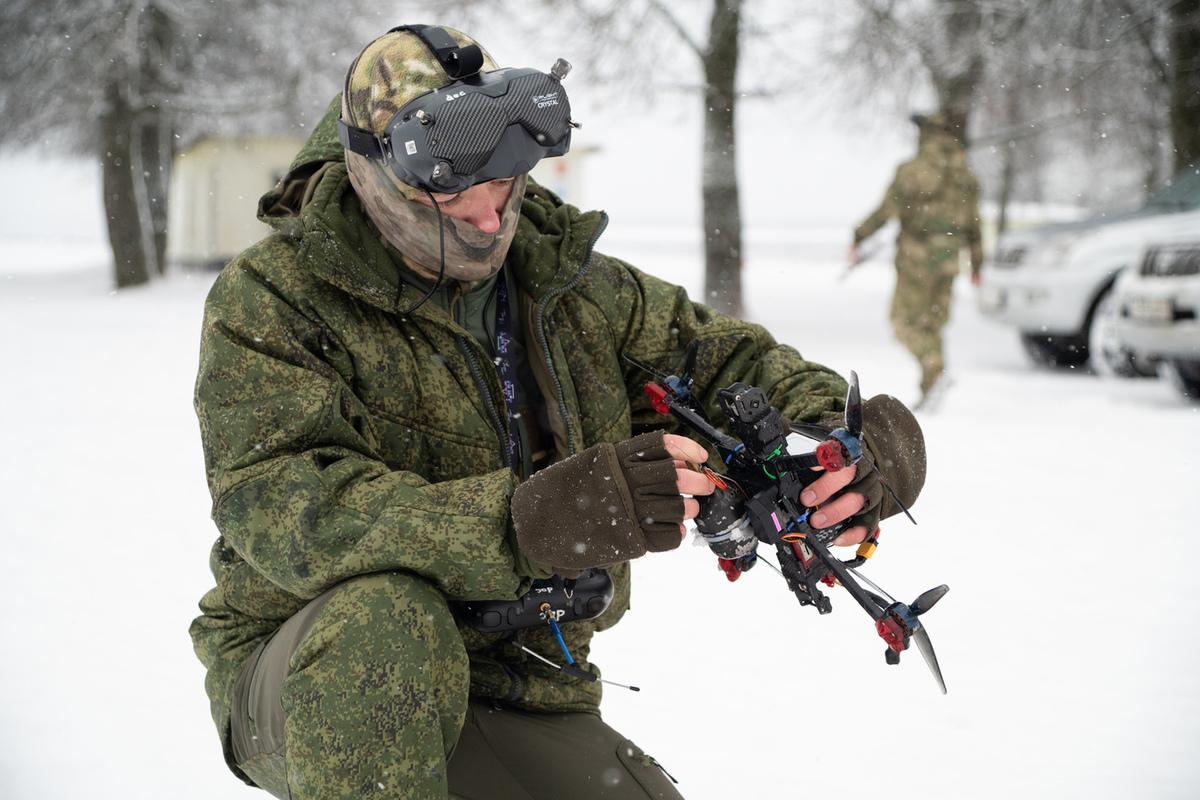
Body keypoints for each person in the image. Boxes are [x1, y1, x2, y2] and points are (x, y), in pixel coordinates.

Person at [190, 25, 927, 800]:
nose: (488, 217)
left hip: (523, 676)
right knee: (385, 621)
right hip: (309, 671)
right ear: (373, 174)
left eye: (504, 184)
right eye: (454, 191)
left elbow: (727, 363)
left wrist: (855, 441)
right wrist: (528, 522)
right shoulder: (274, 299)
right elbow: (285, 508)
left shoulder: (570, 284)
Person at [849, 111, 983, 408]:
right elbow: (975, 223)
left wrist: (859, 235)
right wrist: (977, 264)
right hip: (950, 259)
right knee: (933, 324)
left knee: (903, 324)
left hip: (915, 259)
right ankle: (931, 386)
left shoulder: (911, 170)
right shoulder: (966, 177)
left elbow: (885, 212)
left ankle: (934, 367)